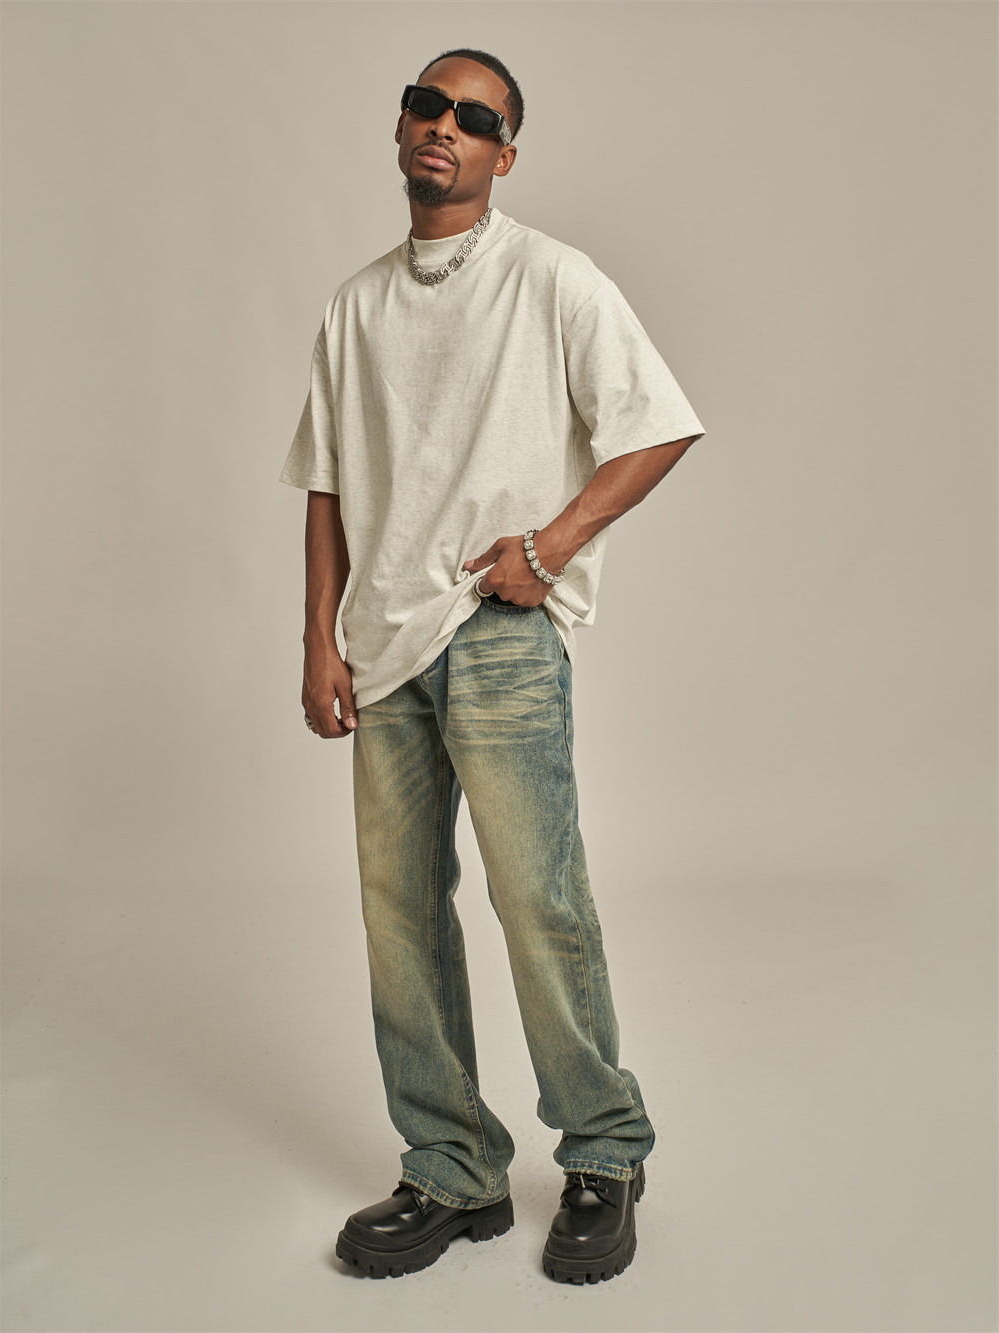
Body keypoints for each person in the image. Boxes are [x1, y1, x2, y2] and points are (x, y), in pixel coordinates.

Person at [279, 47, 706, 1285]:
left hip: (498, 632)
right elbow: (326, 486)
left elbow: (659, 424)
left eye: (474, 118)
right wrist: (316, 640)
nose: (445, 127)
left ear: (502, 154)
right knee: (399, 917)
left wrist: (552, 545)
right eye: (429, 105)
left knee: (538, 900)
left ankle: (605, 1148)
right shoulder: (355, 307)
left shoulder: (550, 277)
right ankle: (453, 1165)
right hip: (382, 648)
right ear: (401, 126)